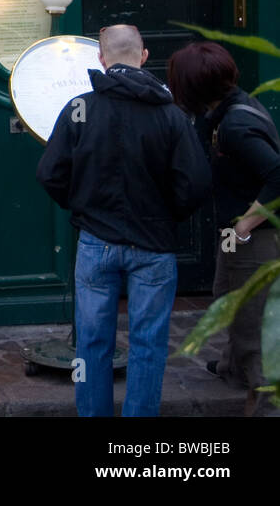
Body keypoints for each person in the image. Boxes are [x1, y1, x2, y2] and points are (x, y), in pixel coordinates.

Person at [37, 24, 211, 417]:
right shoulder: (171, 115)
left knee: (92, 344)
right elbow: (197, 183)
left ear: (101, 58)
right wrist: (170, 216)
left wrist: (81, 208)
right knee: (149, 345)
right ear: (144, 56)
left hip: (96, 242)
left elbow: (49, 173)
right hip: (154, 245)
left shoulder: (80, 108)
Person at [168, 40, 280, 416]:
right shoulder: (226, 110)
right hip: (236, 233)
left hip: (256, 239)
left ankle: (264, 400)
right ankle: (233, 367)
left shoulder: (236, 124)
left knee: (254, 327)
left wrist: (245, 226)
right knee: (225, 296)